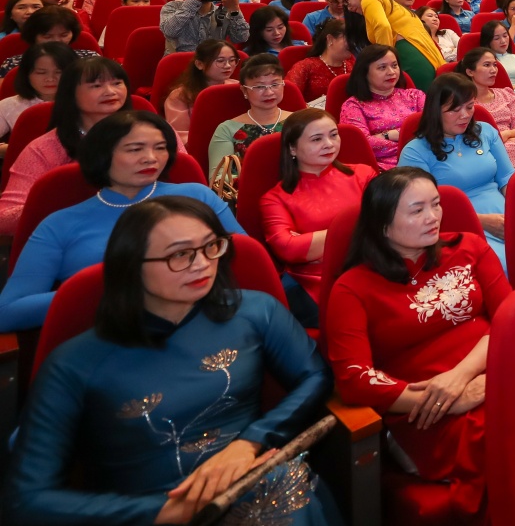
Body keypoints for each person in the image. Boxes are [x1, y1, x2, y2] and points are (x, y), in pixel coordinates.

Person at [5, 195, 335, 526]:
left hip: (257, 485)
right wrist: (167, 511)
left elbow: (315, 376)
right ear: (132, 264)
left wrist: (252, 441)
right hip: (143, 513)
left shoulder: (255, 311)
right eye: (180, 254)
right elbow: (26, 499)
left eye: (211, 247)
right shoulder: (74, 363)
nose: (202, 264)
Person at [325, 167, 504, 525]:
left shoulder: (469, 247)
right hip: (424, 410)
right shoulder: (352, 288)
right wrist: (444, 400)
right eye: (417, 209)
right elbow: (354, 378)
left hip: (493, 375)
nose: (433, 216)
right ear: (383, 225)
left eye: (436, 204)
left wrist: (463, 378)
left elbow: (509, 318)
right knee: (506, 437)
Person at [0, 110, 244, 332]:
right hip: (112, 338)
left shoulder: (197, 196)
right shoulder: (60, 224)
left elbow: (247, 261)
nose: (151, 158)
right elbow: (8, 312)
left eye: (160, 147)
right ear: (102, 154)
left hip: (209, 324)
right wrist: (116, 289)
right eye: (135, 149)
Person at [0, 57, 162, 236]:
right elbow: (5, 218)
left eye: (117, 83)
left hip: (153, 230)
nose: (110, 92)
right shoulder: (45, 148)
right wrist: (67, 201)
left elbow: (181, 179)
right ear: (70, 93)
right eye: (96, 86)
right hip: (75, 235)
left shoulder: (156, 135)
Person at [260, 109, 375, 313]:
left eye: (333, 135)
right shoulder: (275, 198)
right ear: (292, 148)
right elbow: (288, 248)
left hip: (373, 267)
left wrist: (313, 243)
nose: (329, 144)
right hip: (312, 284)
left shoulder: (363, 174)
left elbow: (388, 223)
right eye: (316, 139)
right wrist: (360, 232)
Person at [398, 74, 514, 266]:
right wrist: (483, 222)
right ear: (436, 111)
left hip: (504, 214)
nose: (465, 115)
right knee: (500, 262)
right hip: (455, 225)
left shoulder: (485, 132)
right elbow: (420, 209)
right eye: (454, 110)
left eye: (469, 106)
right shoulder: (415, 152)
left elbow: (507, 179)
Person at [333, 0, 444, 90]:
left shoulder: (369, 0)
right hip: (421, 57)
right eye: (344, 4)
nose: (348, 7)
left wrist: (383, 59)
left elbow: (383, 26)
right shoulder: (386, 3)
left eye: (346, 0)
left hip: (408, 56)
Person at [338, 44, 426, 169]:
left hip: (427, 156)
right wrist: (413, 142)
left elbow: (434, 128)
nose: (391, 72)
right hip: (387, 169)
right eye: (382, 67)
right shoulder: (353, 106)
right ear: (364, 72)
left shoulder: (415, 96)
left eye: (394, 66)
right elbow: (363, 146)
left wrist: (388, 135)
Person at [206, 54, 291, 177]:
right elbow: (218, 179)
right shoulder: (227, 129)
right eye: (259, 86)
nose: (269, 92)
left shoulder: (302, 122)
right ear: (244, 90)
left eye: (275, 84)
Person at [0, 41, 72, 158]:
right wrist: (10, 149)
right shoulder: (9, 105)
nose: (50, 79)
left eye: (59, 72)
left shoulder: (88, 103)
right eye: (41, 73)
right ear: (26, 75)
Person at [162, 39, 237, 140]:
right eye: (220, 61)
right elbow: (180, 136)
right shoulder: (180, 95)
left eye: (232, 60)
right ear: (199, 64)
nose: (228, 66)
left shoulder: (238, 88)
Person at [461, 47, 515, 165]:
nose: (493, 70)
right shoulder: (464, 103)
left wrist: (507, 134)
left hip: (514, 143)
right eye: (487, 65)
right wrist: (500, 138)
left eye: (495, 65)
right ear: (470, 72)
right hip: (482, 150)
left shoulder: (506, 94)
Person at [286, 19, 352, 104]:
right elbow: (289, 97)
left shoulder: (353, 65)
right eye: (349, 38)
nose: (353, 43)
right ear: (330, 39)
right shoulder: (306, 66)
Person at [478, 18, 515, 92]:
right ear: (488, 41)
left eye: (505, 36)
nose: (503, 41)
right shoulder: (484, 62)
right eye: (497, 38)